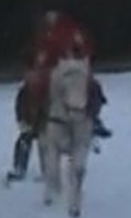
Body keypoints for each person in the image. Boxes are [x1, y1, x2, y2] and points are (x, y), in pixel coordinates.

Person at [22, 9, 112, 139]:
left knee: (92, 86)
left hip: (68, 68)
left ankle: (93, 118)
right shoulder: (40, 34)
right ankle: (30, 122)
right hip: (46, 70)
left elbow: (84, 48)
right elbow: (33, 53)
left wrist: (78, 57)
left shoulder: (71, 32)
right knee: (30, 89)